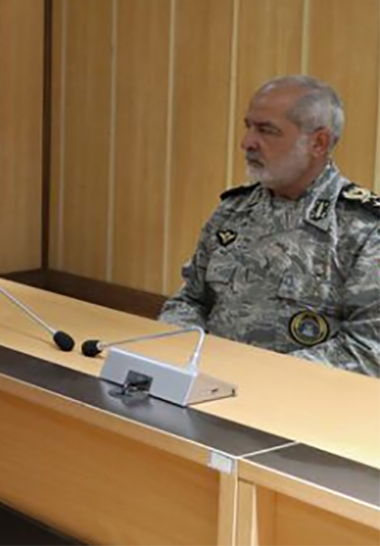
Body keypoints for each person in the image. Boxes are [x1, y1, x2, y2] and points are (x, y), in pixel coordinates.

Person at [160, 75, 380, 377]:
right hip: (208, 384)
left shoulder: (365, 229)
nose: (246, 142)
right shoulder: (234, 210)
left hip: (297, 398)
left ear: (318, 143)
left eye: (266, 130)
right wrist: (184, 354)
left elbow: (368, 350)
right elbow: (190, 300)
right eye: (248, 126)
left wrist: (255, 377)